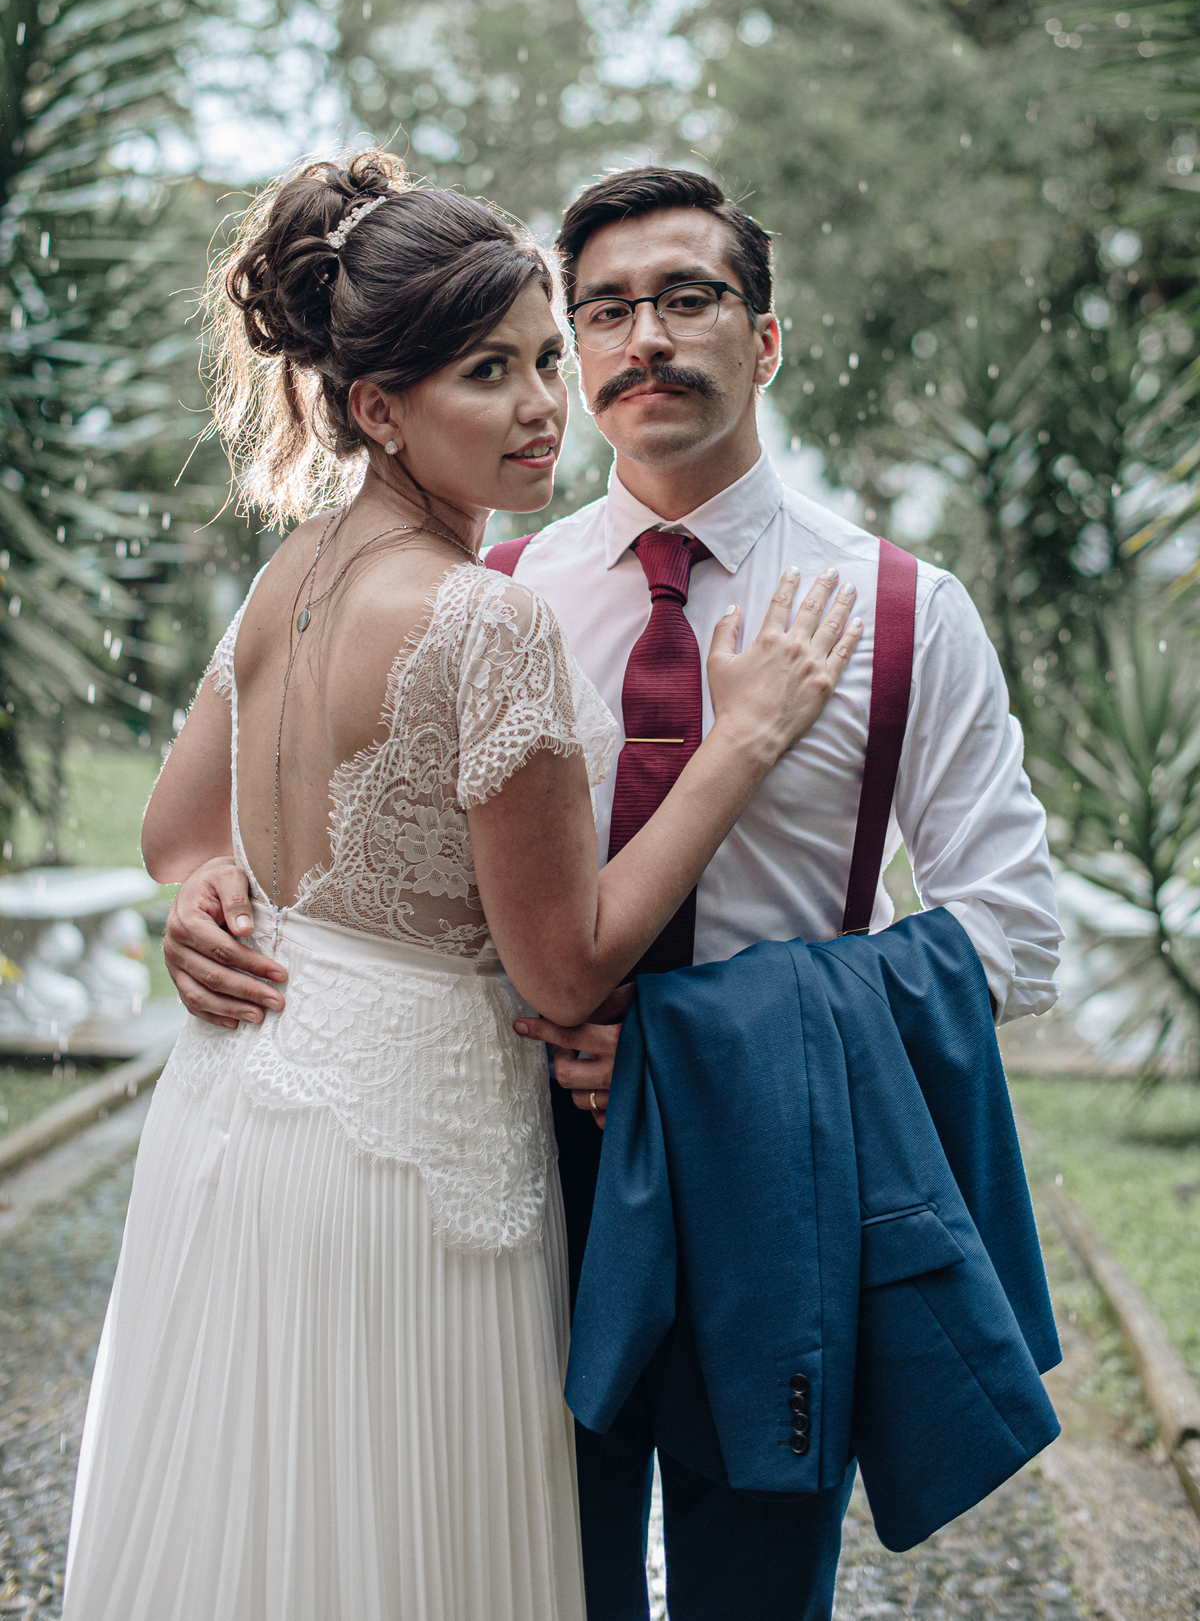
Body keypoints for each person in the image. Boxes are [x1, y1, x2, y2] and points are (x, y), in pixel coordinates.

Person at [161, 166, 1063, 1620]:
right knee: (526, 1577)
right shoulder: (488, 585)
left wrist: (703, 1037)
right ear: (573, 354)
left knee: (753, 1596)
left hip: (768, 1185)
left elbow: (1017, 938)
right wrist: (213, 885)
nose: (644, 338)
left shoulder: (904, 610)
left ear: (765, 339)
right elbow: (301, 802)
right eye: (604, 312)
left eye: (689, 297)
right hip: (510, 1185)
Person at [61, 152, 861, 1621]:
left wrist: (205, 898)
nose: (546, 402)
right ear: (378, 408)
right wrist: (738, 743)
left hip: (248, 1114)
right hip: (418, 1159)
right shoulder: (486, 621)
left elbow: (179, 829)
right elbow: (563, 969)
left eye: (547, 355)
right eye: (488, 374)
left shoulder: (287, 574)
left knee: (275, 1533)